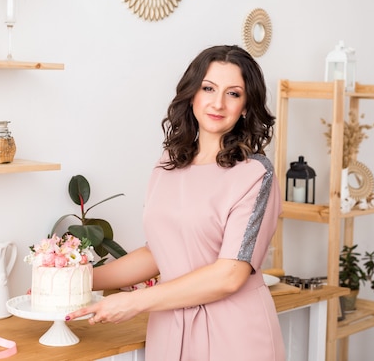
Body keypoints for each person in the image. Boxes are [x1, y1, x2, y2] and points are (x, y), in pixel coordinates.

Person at [66, 45, 285, 361]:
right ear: (192, 94)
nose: (218, 103)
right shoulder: (168, 164)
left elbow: (230, 275)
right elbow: (158, 253)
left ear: (247, 105)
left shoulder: (254, 173)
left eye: (233, 93)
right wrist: (78, 279)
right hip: (169, 328)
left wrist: (135, 302)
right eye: (208, 88)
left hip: (235, 333)